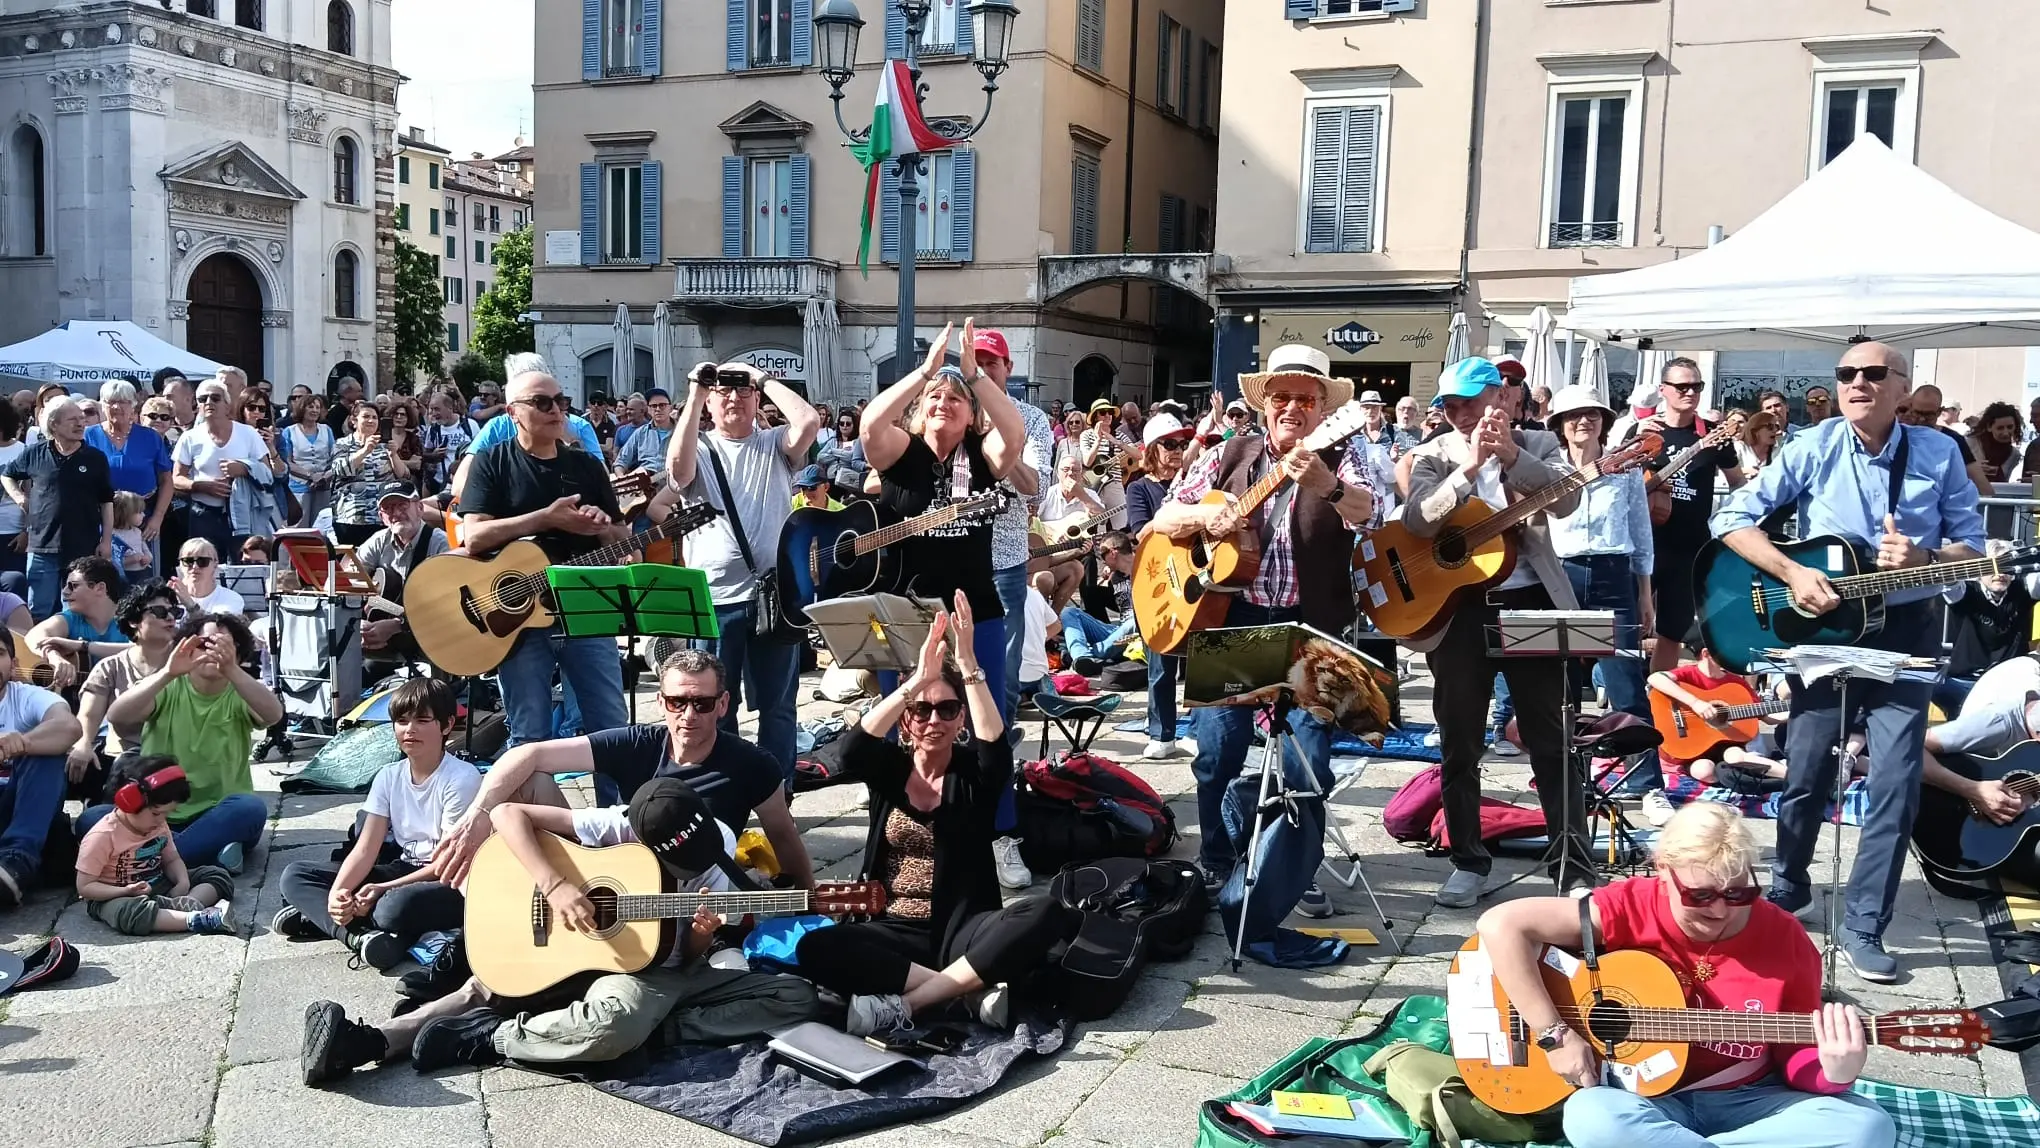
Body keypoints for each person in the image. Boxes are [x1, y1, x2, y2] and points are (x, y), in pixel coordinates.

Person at [1712, 341, 1983, 982]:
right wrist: (1791, 571)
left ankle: (1865, 923)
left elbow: (1971, 550)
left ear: (1902, 387)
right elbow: (1731, 516)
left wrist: (1923, 560)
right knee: (1804, 771)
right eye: (1845, 374)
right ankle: (1789, 884)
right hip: (1826, 632)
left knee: (1893, 784)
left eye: (1872, 374)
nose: (1856, 383)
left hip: (1908, 632)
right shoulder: (1812, 445)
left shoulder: (1940, 452)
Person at [301, 775, 822, 1084]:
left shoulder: (715, 845)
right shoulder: (619, 825)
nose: (689, 864)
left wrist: (703, 936)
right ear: (639, 833)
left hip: (651, 970)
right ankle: (360, 1043)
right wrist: (555, 885)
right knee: (482, 989)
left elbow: (685, 961)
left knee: (795, 995)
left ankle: (499, 1037)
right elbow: (507, 813)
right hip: (571, 947)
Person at [1475, 803, 1895, 1148]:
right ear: (1662, 871)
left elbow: (1793, 1055)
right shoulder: (1629, 906)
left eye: (1738, 894)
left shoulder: (1787, 939)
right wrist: (1554, 1035)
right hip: (1640, 1097)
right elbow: (1500, 924)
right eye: (1700, 896)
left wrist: (1835, 1071)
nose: (1720, 910)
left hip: (1748, 1098)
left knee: (1867, 1127)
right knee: (1591, 1116)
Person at [1148, 344, 1379, 905]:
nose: (1292, 407)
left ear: (1326, 409)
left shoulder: (1345, 452)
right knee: (1216, 752)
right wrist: (1208, 514)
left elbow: (1371, 512)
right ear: (1265, 403)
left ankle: (1291, 874)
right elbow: (1164, 516)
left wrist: (1326, 483)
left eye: (1306, 397)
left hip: (1312, 625)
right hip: (1236, 619)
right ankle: (1218, 859)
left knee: (1309, 762)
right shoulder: (1231, 453)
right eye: (1282, 396)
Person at [794, 600, 1075, 1035]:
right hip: (892, 928)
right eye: (921, 711)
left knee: (1043, 913)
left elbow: (995, 751)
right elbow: (850, 751)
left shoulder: (972, 773)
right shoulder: (890, 769)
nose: (933, 720)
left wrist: (968, 666)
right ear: (905, 722)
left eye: (947, 709)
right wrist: (916, 683)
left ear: (961, 717)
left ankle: (910, 1004)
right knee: (815, 946)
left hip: (963, 928)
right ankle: (965, 992)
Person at [1403, 357, 1590, 906]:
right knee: (1458, 739)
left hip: (1531, 601)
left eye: (1467, 402)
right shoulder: (1434, 453)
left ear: (1501, 399)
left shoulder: (1539, 442)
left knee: (1552, 739)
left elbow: (1568, 499)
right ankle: (1467, 858)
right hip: (1461, 608)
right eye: (1449, 405)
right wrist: (1467, 472)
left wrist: (1510, 456)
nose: (1456, 413)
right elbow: (1417, 519)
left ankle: (1572, 863)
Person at [431, 649, 814, 895]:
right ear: (661, 702)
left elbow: (783, 835)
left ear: (723, 704)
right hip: (613, 860)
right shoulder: (637, 742)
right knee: (526, 780)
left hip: (687, 888)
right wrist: (475, 817)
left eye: (702, 702)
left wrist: (808, 897)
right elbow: (529, 753)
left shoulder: (752, 762)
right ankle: (512, 892)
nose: (689, 714)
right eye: (678, 702)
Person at [458, 355, 631, 748]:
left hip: (586, 601)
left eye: (561, 401)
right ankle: (529, 811)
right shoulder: (492, 462)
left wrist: (601, 526)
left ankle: (618, 810)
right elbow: (475, 537)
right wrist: (544, 519)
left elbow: (619, 538)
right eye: (542, 403)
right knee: (529, 733)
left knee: (611, 727)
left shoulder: (586, 465)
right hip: (515, 613)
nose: (556, 410)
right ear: (514, 413)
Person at [658, 362, 819, 785]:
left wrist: (758, 376)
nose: (733, 398)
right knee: (711, 705)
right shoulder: (699, 444)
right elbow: (677, 471)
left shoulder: (773, 444)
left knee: (779, 707)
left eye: (743, 392)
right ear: (710, 401)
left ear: (757, 400)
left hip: (774, 597)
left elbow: (808, 420)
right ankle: (723, 790)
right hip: (715, 598)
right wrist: (695, 392)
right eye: (723, 392)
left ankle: (776, 792)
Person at [858, 320, 1028, 710]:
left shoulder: (984, 455)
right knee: (902, 720)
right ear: (921, 408)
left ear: (972, 414)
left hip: (975, 613)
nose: (943, 404)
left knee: (983, 719)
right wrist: (924, 374)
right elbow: (870, 425)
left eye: (957, 399)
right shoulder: (901, 452)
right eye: (935, 397)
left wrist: (974, 375)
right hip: (902, 612)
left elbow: (1015, 433)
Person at [275, 679, 476, 968]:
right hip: (403, 868)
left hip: (449, 880)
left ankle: (323, 920)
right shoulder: (388, 775)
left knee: (392, 907)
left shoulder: (461, 778)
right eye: (402, 721)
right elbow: (366, 848)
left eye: (422, 720)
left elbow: (445, 864)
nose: (410, 730)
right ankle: (358, 936)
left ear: (445, 725)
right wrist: (338, 894)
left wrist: (383, 889)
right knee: (295, 875)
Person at [85, 610, 282, 870]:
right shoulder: (168, 685)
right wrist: (167, 672)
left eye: (223, 645)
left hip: (216, 812)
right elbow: (118, 715)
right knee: (91, 819)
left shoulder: (242, 690)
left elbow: (273, 715)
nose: (212, 651)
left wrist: (232, 669)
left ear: (238, 651)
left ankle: (148, 859)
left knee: (250, 808)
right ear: (186, 648)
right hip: (154, 812)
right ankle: (200, 856)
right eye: (203, 644)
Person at [1626, 359, 1745, 675]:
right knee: (1629, 626)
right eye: (1682, 386)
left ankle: (1656, 699)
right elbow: (1613, 480)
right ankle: (1626, 701)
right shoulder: (1644, 431)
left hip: (1688, 547)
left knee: (1672, 632)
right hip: (1642, 543)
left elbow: (1738, 485)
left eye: (1697, 386)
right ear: (1663, 390)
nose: (1690, 392)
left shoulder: (1712, 435)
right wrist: (1632, 442)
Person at [1545, 386, 1654, 727]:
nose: (1584, 421)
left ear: (1604, 422)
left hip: (1613, 575)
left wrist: (1646, 593)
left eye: (1593, 414)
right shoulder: (1547, 469)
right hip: (1562, 573)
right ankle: (1567, 775)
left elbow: (1641, 532)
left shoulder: (1626, 467)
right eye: (1574, 415)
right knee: (1561, 685)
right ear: (1560, 425)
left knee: (1626, 679)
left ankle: (1643, 778)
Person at [74, 755, 235, 936]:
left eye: (166, 814)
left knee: (216, 874)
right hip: (115, 896)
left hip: (159, 882)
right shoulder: (102, 836)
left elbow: (171, 858)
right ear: (129, 801)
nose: (161, 820)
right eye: (156, 813)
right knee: (132, 914)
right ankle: (197, 920)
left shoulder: (158, 824)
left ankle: (186, 904)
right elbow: (85, 887)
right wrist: (125, 891)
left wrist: (183, 881)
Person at [2, 396, 114, 620]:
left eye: (82, 419)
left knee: (75, 610)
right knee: (38, 610)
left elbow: (106, 501)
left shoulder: (95, 458)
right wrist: (19, 497)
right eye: (73, 419)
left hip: (83, 546)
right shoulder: (34, 453)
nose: (81, 424)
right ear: (54, 424)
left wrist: (106, 541)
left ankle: (75, 653)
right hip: (42, 546)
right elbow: (7, 475)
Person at [1124, 414, 1195, 759]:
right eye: (1169, 444)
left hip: (1192, 578)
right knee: (1160, 660)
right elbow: (1139, 531)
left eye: (1181, 444)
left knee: (1200, 658)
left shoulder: (1194, 483)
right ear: (1152, 450)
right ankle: (1162, 733)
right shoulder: (1139, 488)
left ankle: (1196, 729)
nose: (1177, 450)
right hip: (1156, 582)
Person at [68, 581, 180, 795]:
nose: (170, 617)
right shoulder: (111, 667)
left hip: (173, 757)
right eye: (159, 611)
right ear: (133, 621)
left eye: (174, 611)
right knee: (65, 760)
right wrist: (83, 744)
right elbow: (88, 716)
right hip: (121, 761)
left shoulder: (187, 662)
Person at [0, 632, 83, 906]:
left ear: (13, 664)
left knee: (45, 753)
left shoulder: (27, 697)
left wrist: (23, 743)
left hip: (22, 808)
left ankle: (16, 864)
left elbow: (69, 727)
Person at [1935, 538, 2040, 717]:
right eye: (1991, 568)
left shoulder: (2022, 590)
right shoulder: (1968, 592)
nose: (1999, 573)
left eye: (2006, 567)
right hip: (1964, 681)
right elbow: (1950, 583)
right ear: (1979, 570)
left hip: (2009, 683)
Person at [173, 379, 273, 559]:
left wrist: (243, 468)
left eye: (215, 398)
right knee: (203, 564)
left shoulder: (247, 433)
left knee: (243, 564)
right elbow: (176, 479)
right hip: (203, 514)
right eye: (203, 399)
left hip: (243, 515)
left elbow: (267, 472)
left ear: (227, 406)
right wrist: (201, 486)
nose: (209, 402)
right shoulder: (189, 437)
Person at [87, 380, 174, 576]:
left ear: (134, 405)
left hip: (142, 521)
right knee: (104, 578)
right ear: (102, 405)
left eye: (124, 402)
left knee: (143, 581)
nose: (117, 407)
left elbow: (167, 481)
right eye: (111, 402)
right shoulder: (88, 436)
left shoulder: (150, 437)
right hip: (100, 521)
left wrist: (157, 519)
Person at [354, 484, 448, 665]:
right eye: (388, 508)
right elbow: (348, 582)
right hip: (386, 632)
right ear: (382, 517)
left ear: (419, 508)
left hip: (429, 636)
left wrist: (397, 625)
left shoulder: (440, 545)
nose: (395, 513)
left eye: (402, 505)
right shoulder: (378, 541)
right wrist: (357, 621)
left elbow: (445, 606)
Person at [26, 556, 126, 689]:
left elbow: (142, 650)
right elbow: (33, 636)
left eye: (73, 586)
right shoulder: (72, 618)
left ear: (100, 588)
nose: (64, 592)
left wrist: (82, 646)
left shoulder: (131, 619)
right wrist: (54, 656)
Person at [1057, 531, 1139, 673]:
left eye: (1102, 555)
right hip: (1117, 631)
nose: (1103, 561)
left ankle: (1091, 654)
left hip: (1138, 633)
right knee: (1069, 612)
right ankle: (1082, 656)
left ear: (1113, 553)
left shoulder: (1145, 568)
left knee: (1135, 621)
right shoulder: (1116, 577)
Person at [330, 403, 410, 547]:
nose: (371, 421)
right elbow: (339, 470)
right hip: (351, 517)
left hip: (381, 516)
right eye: (366, 416)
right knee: (351, 563)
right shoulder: (342, 444)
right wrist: (365, 450)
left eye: (374, 417)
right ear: (354, 421)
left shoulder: (383, 445)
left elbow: (403, 475)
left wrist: (393, 455)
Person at [1901, 385, 1993, 496]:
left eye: (1928, 415)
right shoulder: (1899, 435)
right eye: (1917, 413)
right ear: (1911, 408)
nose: (1922, 419)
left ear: (1939, 412)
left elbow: (1981, 484)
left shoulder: (1953, 440)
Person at [281, 394, 337, 527]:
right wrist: (311, 476)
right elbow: (287, 462)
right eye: (310, 406)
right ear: (302, 408)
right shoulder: (289, 431)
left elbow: (334, 457)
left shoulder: (327, 430)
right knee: (298, 527)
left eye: (318, 407)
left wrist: (323, 477)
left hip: (323, 486)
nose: (315, 410)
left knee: (322, 527)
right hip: (298, 487)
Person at [1079, 399, 1130, 529]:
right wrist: (1097, 440)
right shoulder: (1086, 435)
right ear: (1096, 416)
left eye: (1110, 412)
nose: (1107, 415)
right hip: (1093, 486)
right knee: (1097, 529)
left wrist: (1117, 442)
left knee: (1121, 526)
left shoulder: (1119, 435)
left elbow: (1138, 454)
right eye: (1103, 412)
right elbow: (1087, 461)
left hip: (1115, 484)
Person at [612, 387, 676, 483]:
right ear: (648, 410)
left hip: (674, 487)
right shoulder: (640, 433)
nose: (658, 409)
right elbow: (621, 461)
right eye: (653, 406)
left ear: (670, 408)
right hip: (643, 488)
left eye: (662, 405)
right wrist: (622, 479)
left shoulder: (683, 432)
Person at [169, 538, 245, 616]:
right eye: (188, 561)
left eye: (202, 561)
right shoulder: (169, 597)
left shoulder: (231, 598)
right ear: (180, 565)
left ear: (215, 564)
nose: (195, 566)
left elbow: (216, 627)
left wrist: (191, 605)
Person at [1967, 401, 2022, 486]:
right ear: (1989, 427)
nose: (2006, 432)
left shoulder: (2014, 454)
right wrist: (1971, 469)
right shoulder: (1969, 443)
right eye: (2000, 428)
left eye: (2010, 427)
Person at [108, 492, 152, 583]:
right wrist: (130, 560)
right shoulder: (113, 534)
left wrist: (148, 557)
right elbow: (113, 562)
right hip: (126, 575)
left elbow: (146, 550)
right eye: (139, 512)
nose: (144, 515)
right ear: (125, 514)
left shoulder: (137, 532)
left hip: (142, 573)